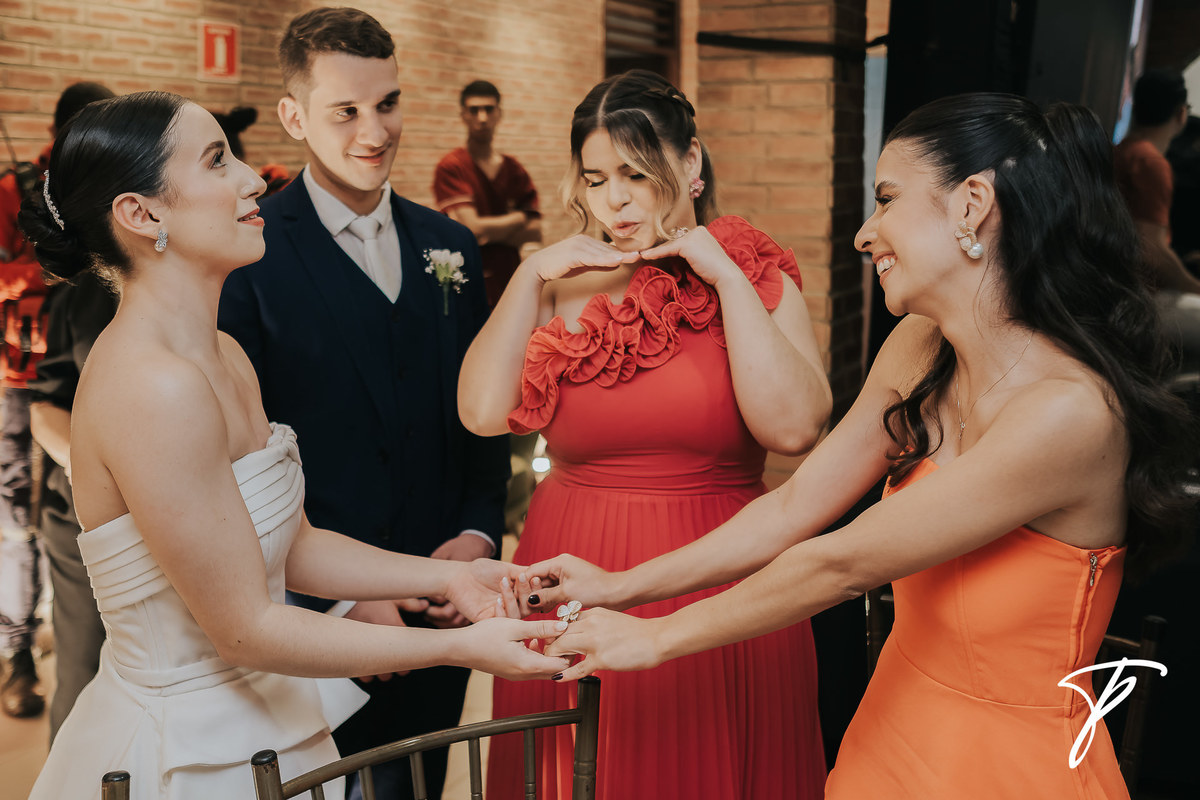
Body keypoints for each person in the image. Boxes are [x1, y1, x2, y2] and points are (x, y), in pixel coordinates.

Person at [525, 93, 1195, 799]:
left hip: (1007, 765)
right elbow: (795, 510)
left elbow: (842, 561)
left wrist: (655, 638)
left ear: (972, 205)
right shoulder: (919, 347)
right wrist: (620, 586)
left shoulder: (1071, 413)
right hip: (890, 734)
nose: (863, 234)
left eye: (886, 199)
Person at [17, 90, 567, 800]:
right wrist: (457, 646)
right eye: (219, 161)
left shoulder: (223, 355)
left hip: (269, 724)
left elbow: (293, 545)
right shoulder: (152, 387)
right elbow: (243, 629)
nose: (253, 179)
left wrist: (444, 578)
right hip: (188, 754)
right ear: (142, 213)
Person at [459, 69, 832, 799]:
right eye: (596, 179)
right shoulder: (562, 282)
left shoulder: (754, 276)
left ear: (690, 164)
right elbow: (478, 411)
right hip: (568, 567)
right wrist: (531, 272)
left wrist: (723, 278)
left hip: (720, 573)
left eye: (636, 172)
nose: (616, 199)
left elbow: (795, 428)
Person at [217, 9, 512, 800]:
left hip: (445, 598)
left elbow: (481, 417)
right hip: (316, 621)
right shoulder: (248, 256)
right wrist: (342, 599)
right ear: (293, 116)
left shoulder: (448, 246)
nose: (374, 131)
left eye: (388, 104)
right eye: (346, 111)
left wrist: (479, 532)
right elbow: (239, 460)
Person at [0, 80, 114, 720]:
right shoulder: (18, 192)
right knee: (22, 517)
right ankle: (18, 650)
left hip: (82, 343)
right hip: (26, 374)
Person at [28, 266, 117, 741]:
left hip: (209, 522)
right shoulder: (89, 284)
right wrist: (94, 475)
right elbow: (46, 402)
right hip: (88, 522)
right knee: (83, 681)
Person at [1114, 69, 1200, 370]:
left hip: (1117, 290)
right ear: (1181, 114)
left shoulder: (1122, 152)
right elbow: (1150, 251)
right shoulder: (1150, 162)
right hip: (1137, 299)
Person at [432, 80, 541, 308]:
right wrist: (519, 219)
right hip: (467, 280)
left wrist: (485, 232)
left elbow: (536, 231)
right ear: (463, 115)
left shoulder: (513, 169)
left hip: (510, 280)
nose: (482, 118)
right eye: (474, 110)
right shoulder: (452, 167)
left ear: (499, 114)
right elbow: (473, 230)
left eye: (489, 109)